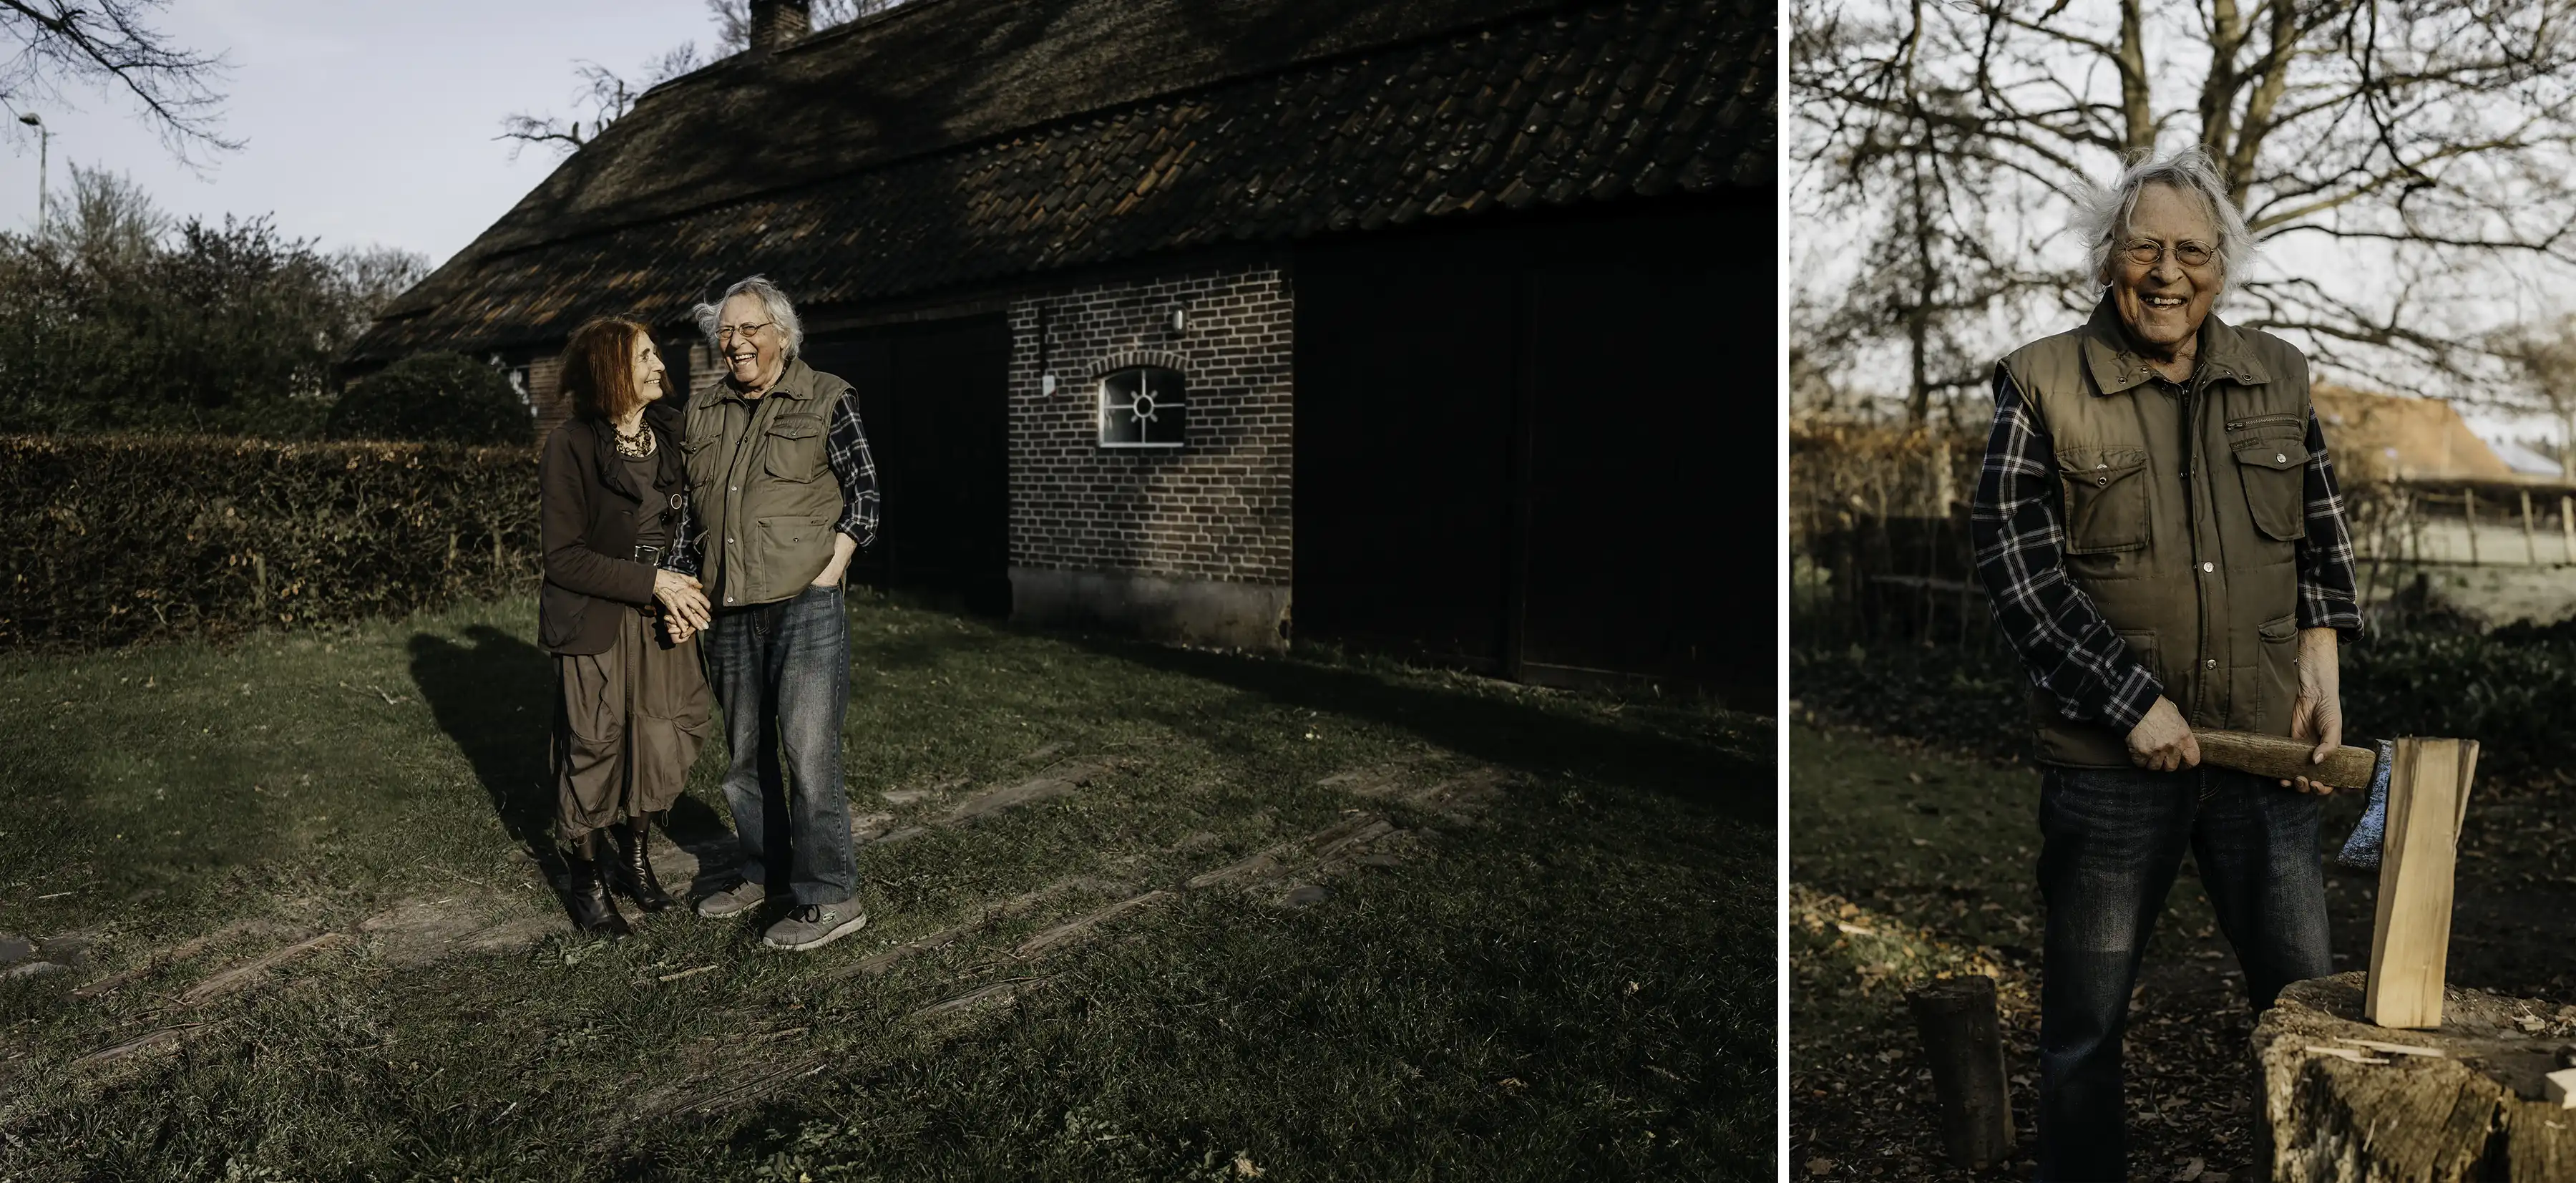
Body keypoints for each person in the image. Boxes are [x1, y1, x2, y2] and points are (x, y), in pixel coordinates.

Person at [1968, 147, 2363, 1183]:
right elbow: (2016, 566)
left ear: (2222, 266)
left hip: (2262, 758)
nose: (2166, 270)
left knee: (2306, 1012)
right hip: (2109, 770)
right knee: (2084, 1032)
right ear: (2109, 258)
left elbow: (2318, 530)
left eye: (2192, 249)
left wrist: (2321, 666)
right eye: (2144, 245)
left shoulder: (2278, 371)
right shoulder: (2042, 382)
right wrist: (2125, 698)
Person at [673, 276, 879, 952]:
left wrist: (833, 569)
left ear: (782, 335)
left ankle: (831, 894)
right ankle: (764, 873)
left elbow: (866, 494)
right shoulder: (705, 411)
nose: (734, 344)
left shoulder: (827, 397)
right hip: (729, 608)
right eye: (725, 333)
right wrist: (681, 585)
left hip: (804, 602)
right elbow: (685, 515)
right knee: (744, 758)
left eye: (747, 329)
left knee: (808, 753)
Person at [539, 317, 718, 937]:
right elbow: (563, 557)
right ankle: (587, 879)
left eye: (654, 354)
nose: (657, 365)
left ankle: (635, 859)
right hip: (596, 616)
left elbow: (693, 522)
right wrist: (653, 584)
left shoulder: (671, 430)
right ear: (611, 370)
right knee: (594, 743)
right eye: (643, 357)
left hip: (661, 610)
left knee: (661, 733)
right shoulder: (570, 445)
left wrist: (684, 590)